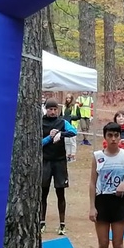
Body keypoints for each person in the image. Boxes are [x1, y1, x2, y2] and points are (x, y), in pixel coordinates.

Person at [41, 98, 78, 235]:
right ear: (46, 109)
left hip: (60, 162)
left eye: (55, 109)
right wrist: (50, 138)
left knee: (60, 192)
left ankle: (62, 224)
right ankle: (41, 222)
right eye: (50, 109)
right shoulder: (40, 122)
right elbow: (38, 143)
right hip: (45, 161)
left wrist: (61, 133)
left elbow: (74, 131)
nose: (53, 112)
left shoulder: (62, 122)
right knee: (43, 192)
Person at [62, 94, 81, 162]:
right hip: (65, 126)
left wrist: (72, 117)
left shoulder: (75, 106)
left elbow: (79, 116)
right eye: (67, 98)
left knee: (72, 141)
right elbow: (61, 115)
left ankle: (73, 155)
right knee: (67, 141)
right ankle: (68, 155)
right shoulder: (64, 107)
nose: (68, 99)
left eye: (69, 98)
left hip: (73, 126)